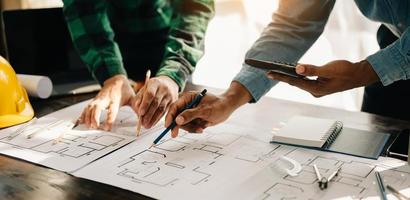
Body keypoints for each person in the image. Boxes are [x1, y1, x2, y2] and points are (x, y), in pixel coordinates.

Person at [165, 0, 410, 138]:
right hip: (393, 50)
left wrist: (364, 72)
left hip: (388, 61)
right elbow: (295, 22)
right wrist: (229, 100)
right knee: (373, 158)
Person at [62, 0, 214, 131]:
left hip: (170, 39)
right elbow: (83, 8)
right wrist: (112, 76)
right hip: (111, 38)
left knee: (171, 105)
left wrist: (172, 74)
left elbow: (195, 8)